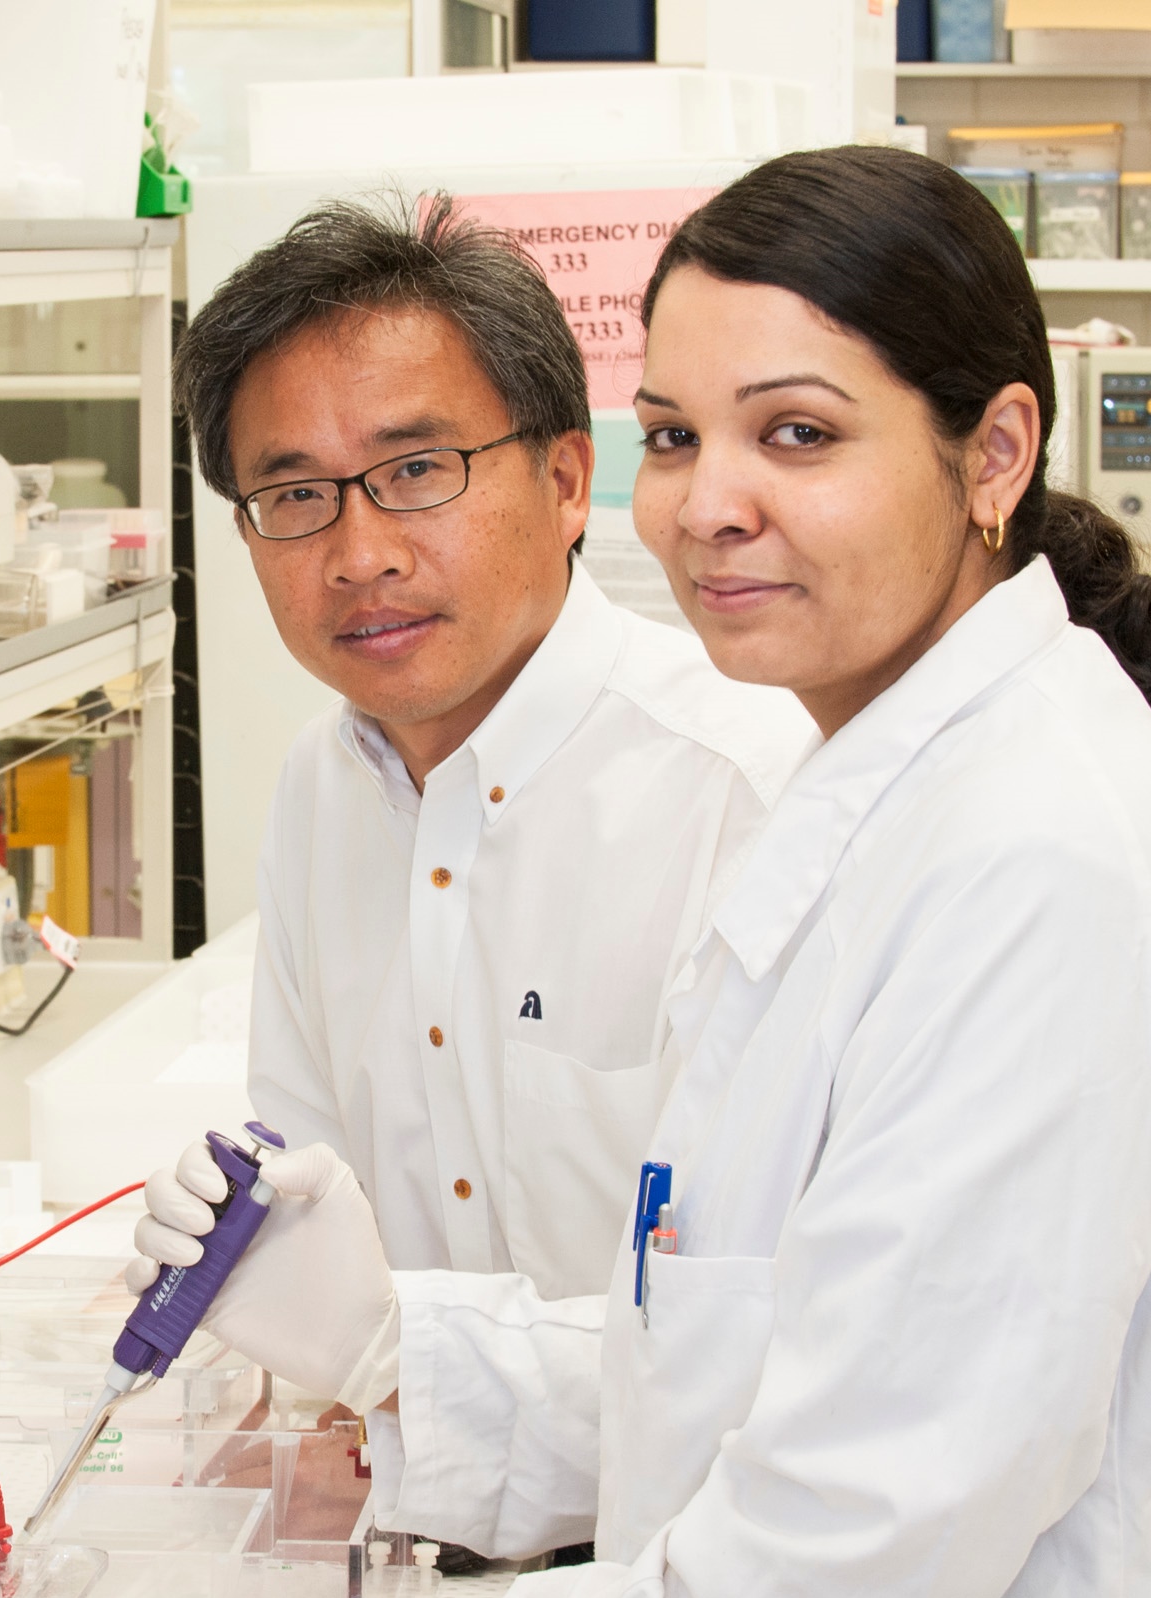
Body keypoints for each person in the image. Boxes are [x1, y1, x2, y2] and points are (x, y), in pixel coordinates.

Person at [133, 147, 1151, 1598]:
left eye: (799, 434)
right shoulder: (894, 805)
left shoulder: (1031, 865)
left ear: (995, 454)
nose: (711, 505)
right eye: (682, 438)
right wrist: (392, 1344)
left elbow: (844, 1560)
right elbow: (727, 1374)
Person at [167, 195, 813, 1309]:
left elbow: (766, 1324)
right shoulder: (319, 791)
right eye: (294, 494)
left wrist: (397, 1361)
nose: (358, 554)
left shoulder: (748, 792)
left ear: (566, 483)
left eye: (416, 471)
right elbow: (313, 1188)